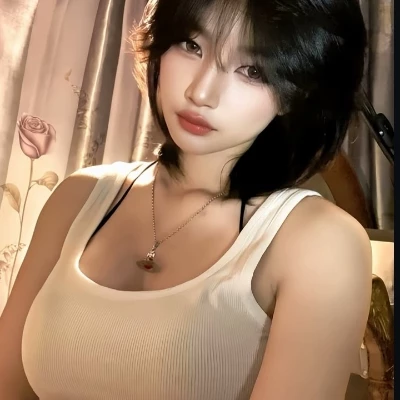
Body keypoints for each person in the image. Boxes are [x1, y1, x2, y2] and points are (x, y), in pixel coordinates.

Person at [0, 0, 372, 399]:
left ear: (296, 94)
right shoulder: (78, 198)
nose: (201, 92)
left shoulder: (320, 243)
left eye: (253, 70)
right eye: (191, 45)